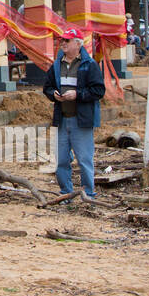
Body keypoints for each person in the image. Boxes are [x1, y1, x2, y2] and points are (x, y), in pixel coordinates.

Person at [42, 29, 104, 198]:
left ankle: (88, 194)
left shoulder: (89, 64)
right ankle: (65, 193)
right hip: (62, 119)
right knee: (61, 160)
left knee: (84, 160)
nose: (63, 43)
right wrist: (53, 94)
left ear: (78, 44)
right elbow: (46, 87)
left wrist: (78, 95)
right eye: (62, 40)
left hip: (81, 120)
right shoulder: (56, 65)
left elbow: (99, 90)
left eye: (67, 41)